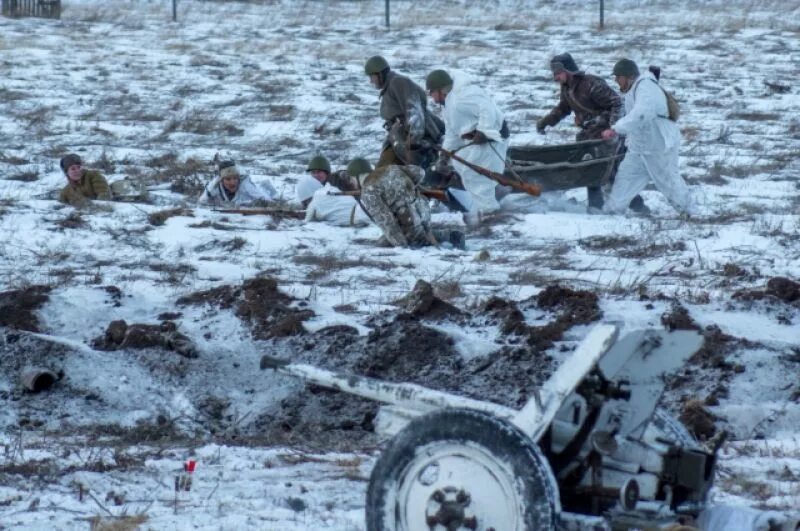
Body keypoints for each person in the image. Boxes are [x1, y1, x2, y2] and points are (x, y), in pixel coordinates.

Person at [536, 53, 645, 212]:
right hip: (589, 136)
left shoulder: (591, 84)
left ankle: (639, 207)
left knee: (613, 174)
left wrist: (613, 129)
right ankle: (596, 207)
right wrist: (545, 122)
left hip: (607, 136)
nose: (556, 78)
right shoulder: (568, 88)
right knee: (590, 170)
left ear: (567, 71)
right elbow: (563, 109)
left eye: (558, 73)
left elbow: (617, 103)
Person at [601, 59, 697, 217]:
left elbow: (643, 113)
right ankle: (613, 210)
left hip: (657, 142)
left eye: (618, 77)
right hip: (640, 145)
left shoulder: (645, 85)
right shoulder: (636, 89)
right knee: (626, 176)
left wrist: (617, 128)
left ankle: (688, 212)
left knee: (667, 179)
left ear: (628, 76)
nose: (616, 81)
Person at [426, 69, 508, 225]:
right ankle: (490, 199)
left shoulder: (462, 98)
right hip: (477, 139)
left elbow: (487, 108)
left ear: (441, 90)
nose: (431, 96)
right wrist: (445, 154)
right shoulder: (447, 105)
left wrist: (484, 131)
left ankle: (490, 213)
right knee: (461, 165)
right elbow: (452, 132)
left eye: (432, 92)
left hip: (492, 138)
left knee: (474, 175)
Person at [364, 55, 443, 169]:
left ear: (380, 74)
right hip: (399, 139)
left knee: (383, 174)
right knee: (385, 174)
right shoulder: (390, 86)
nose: (371, 81)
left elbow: (414, 110)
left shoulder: (397, 82)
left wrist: (413, 141)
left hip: (412, 140)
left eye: (372, 76)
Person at [361, 164, 465, 249]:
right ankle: (449, 235)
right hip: (422, 208)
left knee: (383, 245)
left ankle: (448, 237)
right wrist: (410, 190)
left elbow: (386, 220)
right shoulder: (391, 168)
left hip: (409, 218)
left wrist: (402, 247)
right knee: (418, 232)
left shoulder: (369, 189)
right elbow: (419, 172)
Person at [298, 158, 372, 227]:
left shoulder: (338, 180)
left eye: (319, 172)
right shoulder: (319, 188)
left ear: (327, 172)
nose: (316, 175)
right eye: (313, 173)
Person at [199, 160, 276, 207]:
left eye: (235, 178)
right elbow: (202, 201)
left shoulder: (245, 184)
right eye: (228, 179)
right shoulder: (214, 186)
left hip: (266, 190)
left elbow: (266, 200)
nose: (232, 182)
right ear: (221, 180)